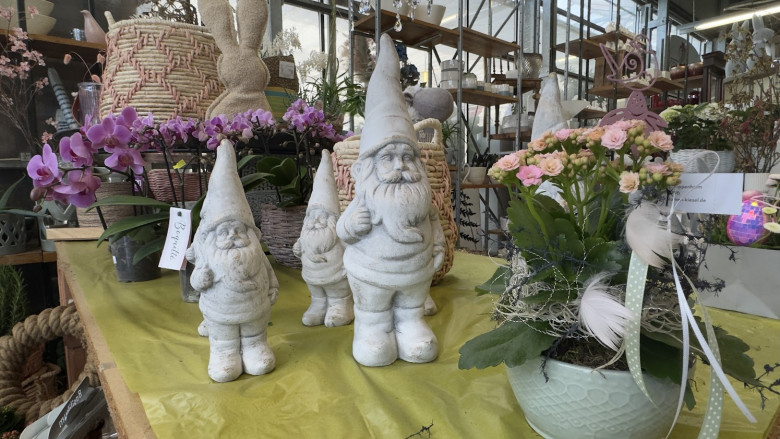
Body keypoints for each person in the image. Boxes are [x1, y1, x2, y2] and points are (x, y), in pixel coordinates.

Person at [337, 33, 445, 367]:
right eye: (388, 158)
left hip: (416, 273)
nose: (400, 166)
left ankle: (411, 323)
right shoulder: (365, 201)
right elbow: (343, 231)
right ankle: (372, 329)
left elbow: (434, 222)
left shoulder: (421, 201)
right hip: (371, 274)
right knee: (373, 312)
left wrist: (438, 245)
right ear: (368, 166)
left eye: (407, 157)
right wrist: (351, 227)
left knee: (412, 311)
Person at [186, 140, 279, 382]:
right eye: (224, 232)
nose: (232, 236)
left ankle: (256, 347)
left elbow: (268, 271)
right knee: (224, 336)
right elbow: (196, 281)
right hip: (220, 312)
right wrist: (200, 279)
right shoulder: (207, 256)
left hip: (255, 308)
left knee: (254, 331)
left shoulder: (256, 254)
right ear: (211, 237)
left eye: (238, 230)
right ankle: (224, 354)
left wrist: (272, 287)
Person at [293, 150, 353, 327]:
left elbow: (351, 249)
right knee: (317, 293)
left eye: (322, 217)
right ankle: (318, 305)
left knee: (337, 293)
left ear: (333, 220)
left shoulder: (339, 236)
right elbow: (299, 247)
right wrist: (298, 249)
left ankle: (340, 306)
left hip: (337, 276)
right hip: (312, 276)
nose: (315, 221)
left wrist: (348, 265)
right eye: (312, 217)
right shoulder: (306, 235)